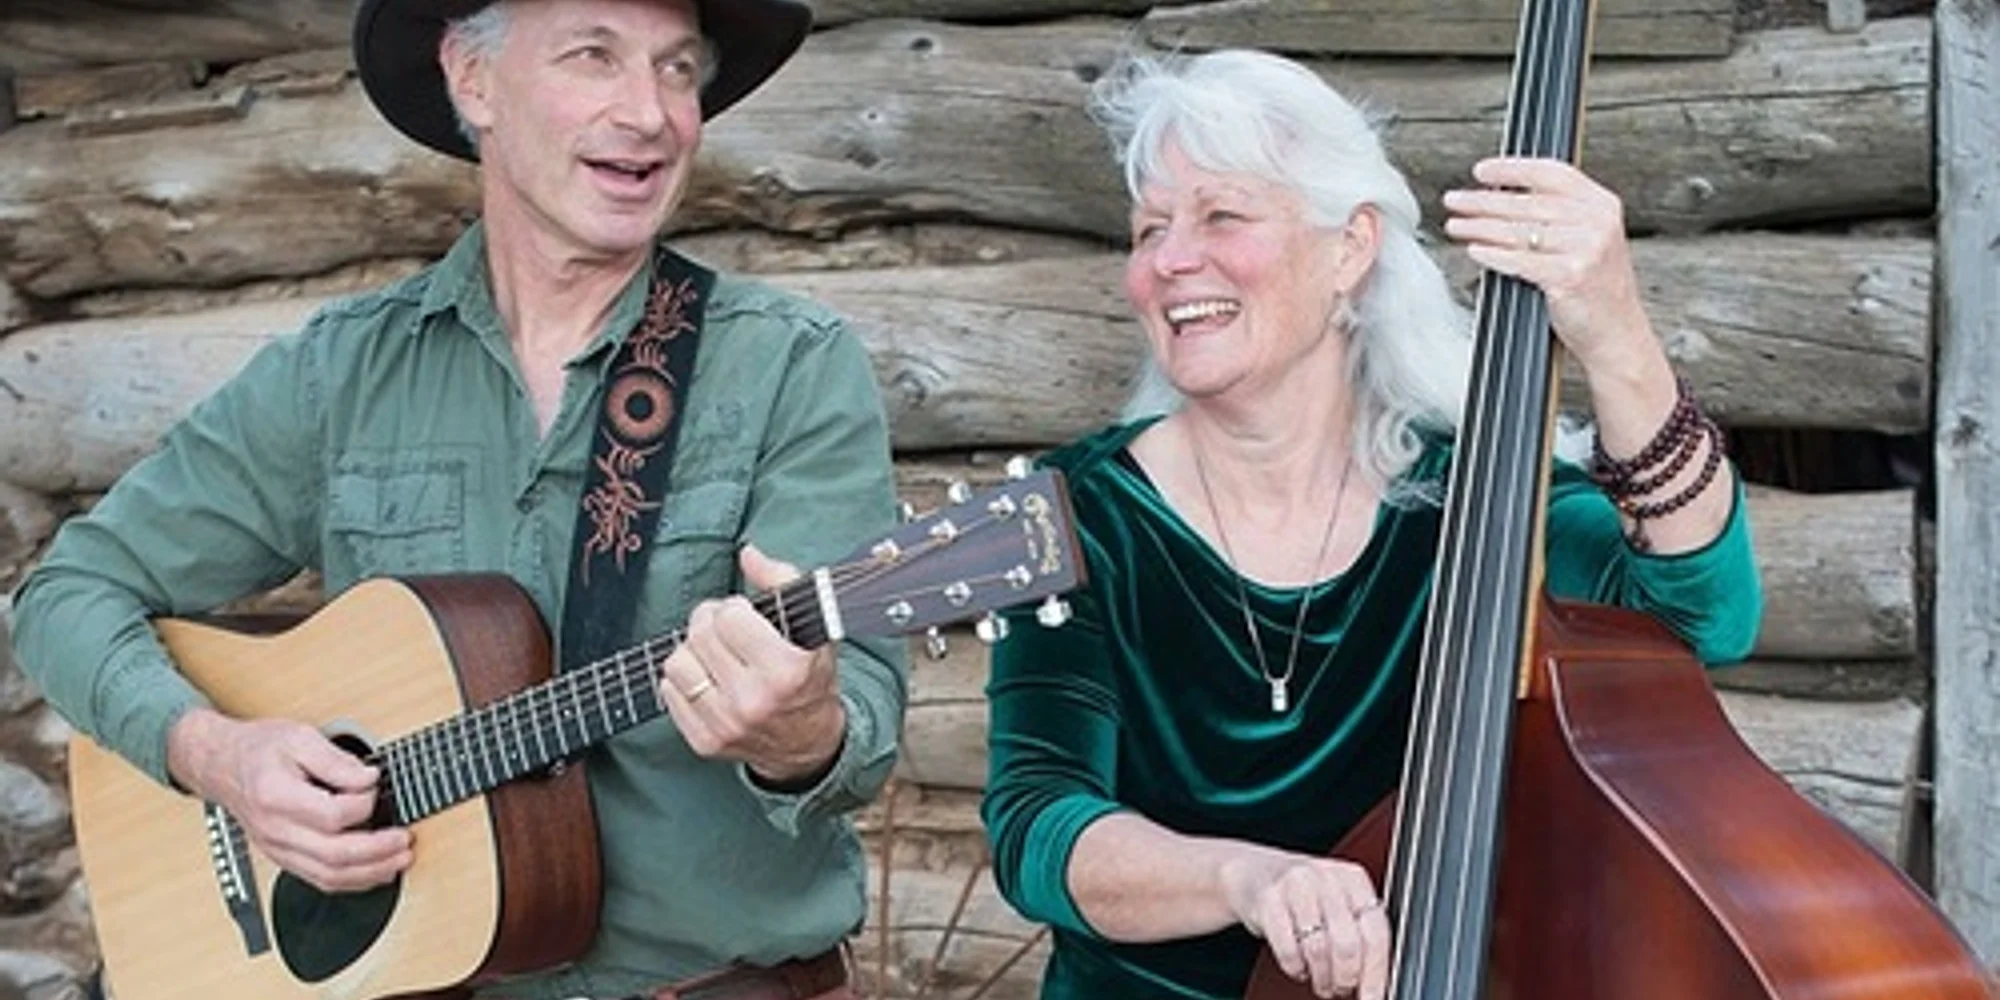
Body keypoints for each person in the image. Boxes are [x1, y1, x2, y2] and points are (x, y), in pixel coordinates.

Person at [9, 1, 905, 998]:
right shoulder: (340, 375)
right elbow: (68, 593)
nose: (649, 113)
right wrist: (215, 754)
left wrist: (803, 734)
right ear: (473, 80)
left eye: (677, 69)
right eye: (594, 57)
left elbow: (861, 718)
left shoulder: (788, 366)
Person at [980, 49, 1761, 1000]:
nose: (1170, 260)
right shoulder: (1079, 512)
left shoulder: (1475, 499)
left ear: (1350, 249)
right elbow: (1037, 824)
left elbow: (1701, 616)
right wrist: (1246, 879)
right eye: (1150, 229)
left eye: (1222, 216)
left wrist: (1616, 329)